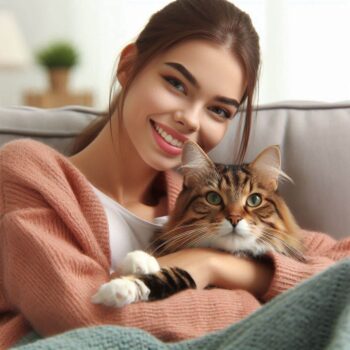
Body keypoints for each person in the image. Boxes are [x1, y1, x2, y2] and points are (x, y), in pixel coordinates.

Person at [0, 0, 349, 348]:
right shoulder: (29, 172)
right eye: (176, 84)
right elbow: (84, 316)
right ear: (128, 66)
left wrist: (217, 266)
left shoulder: (205, 202)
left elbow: (341, 267)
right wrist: (255, 301)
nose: (192, 119)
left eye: (218, 109)